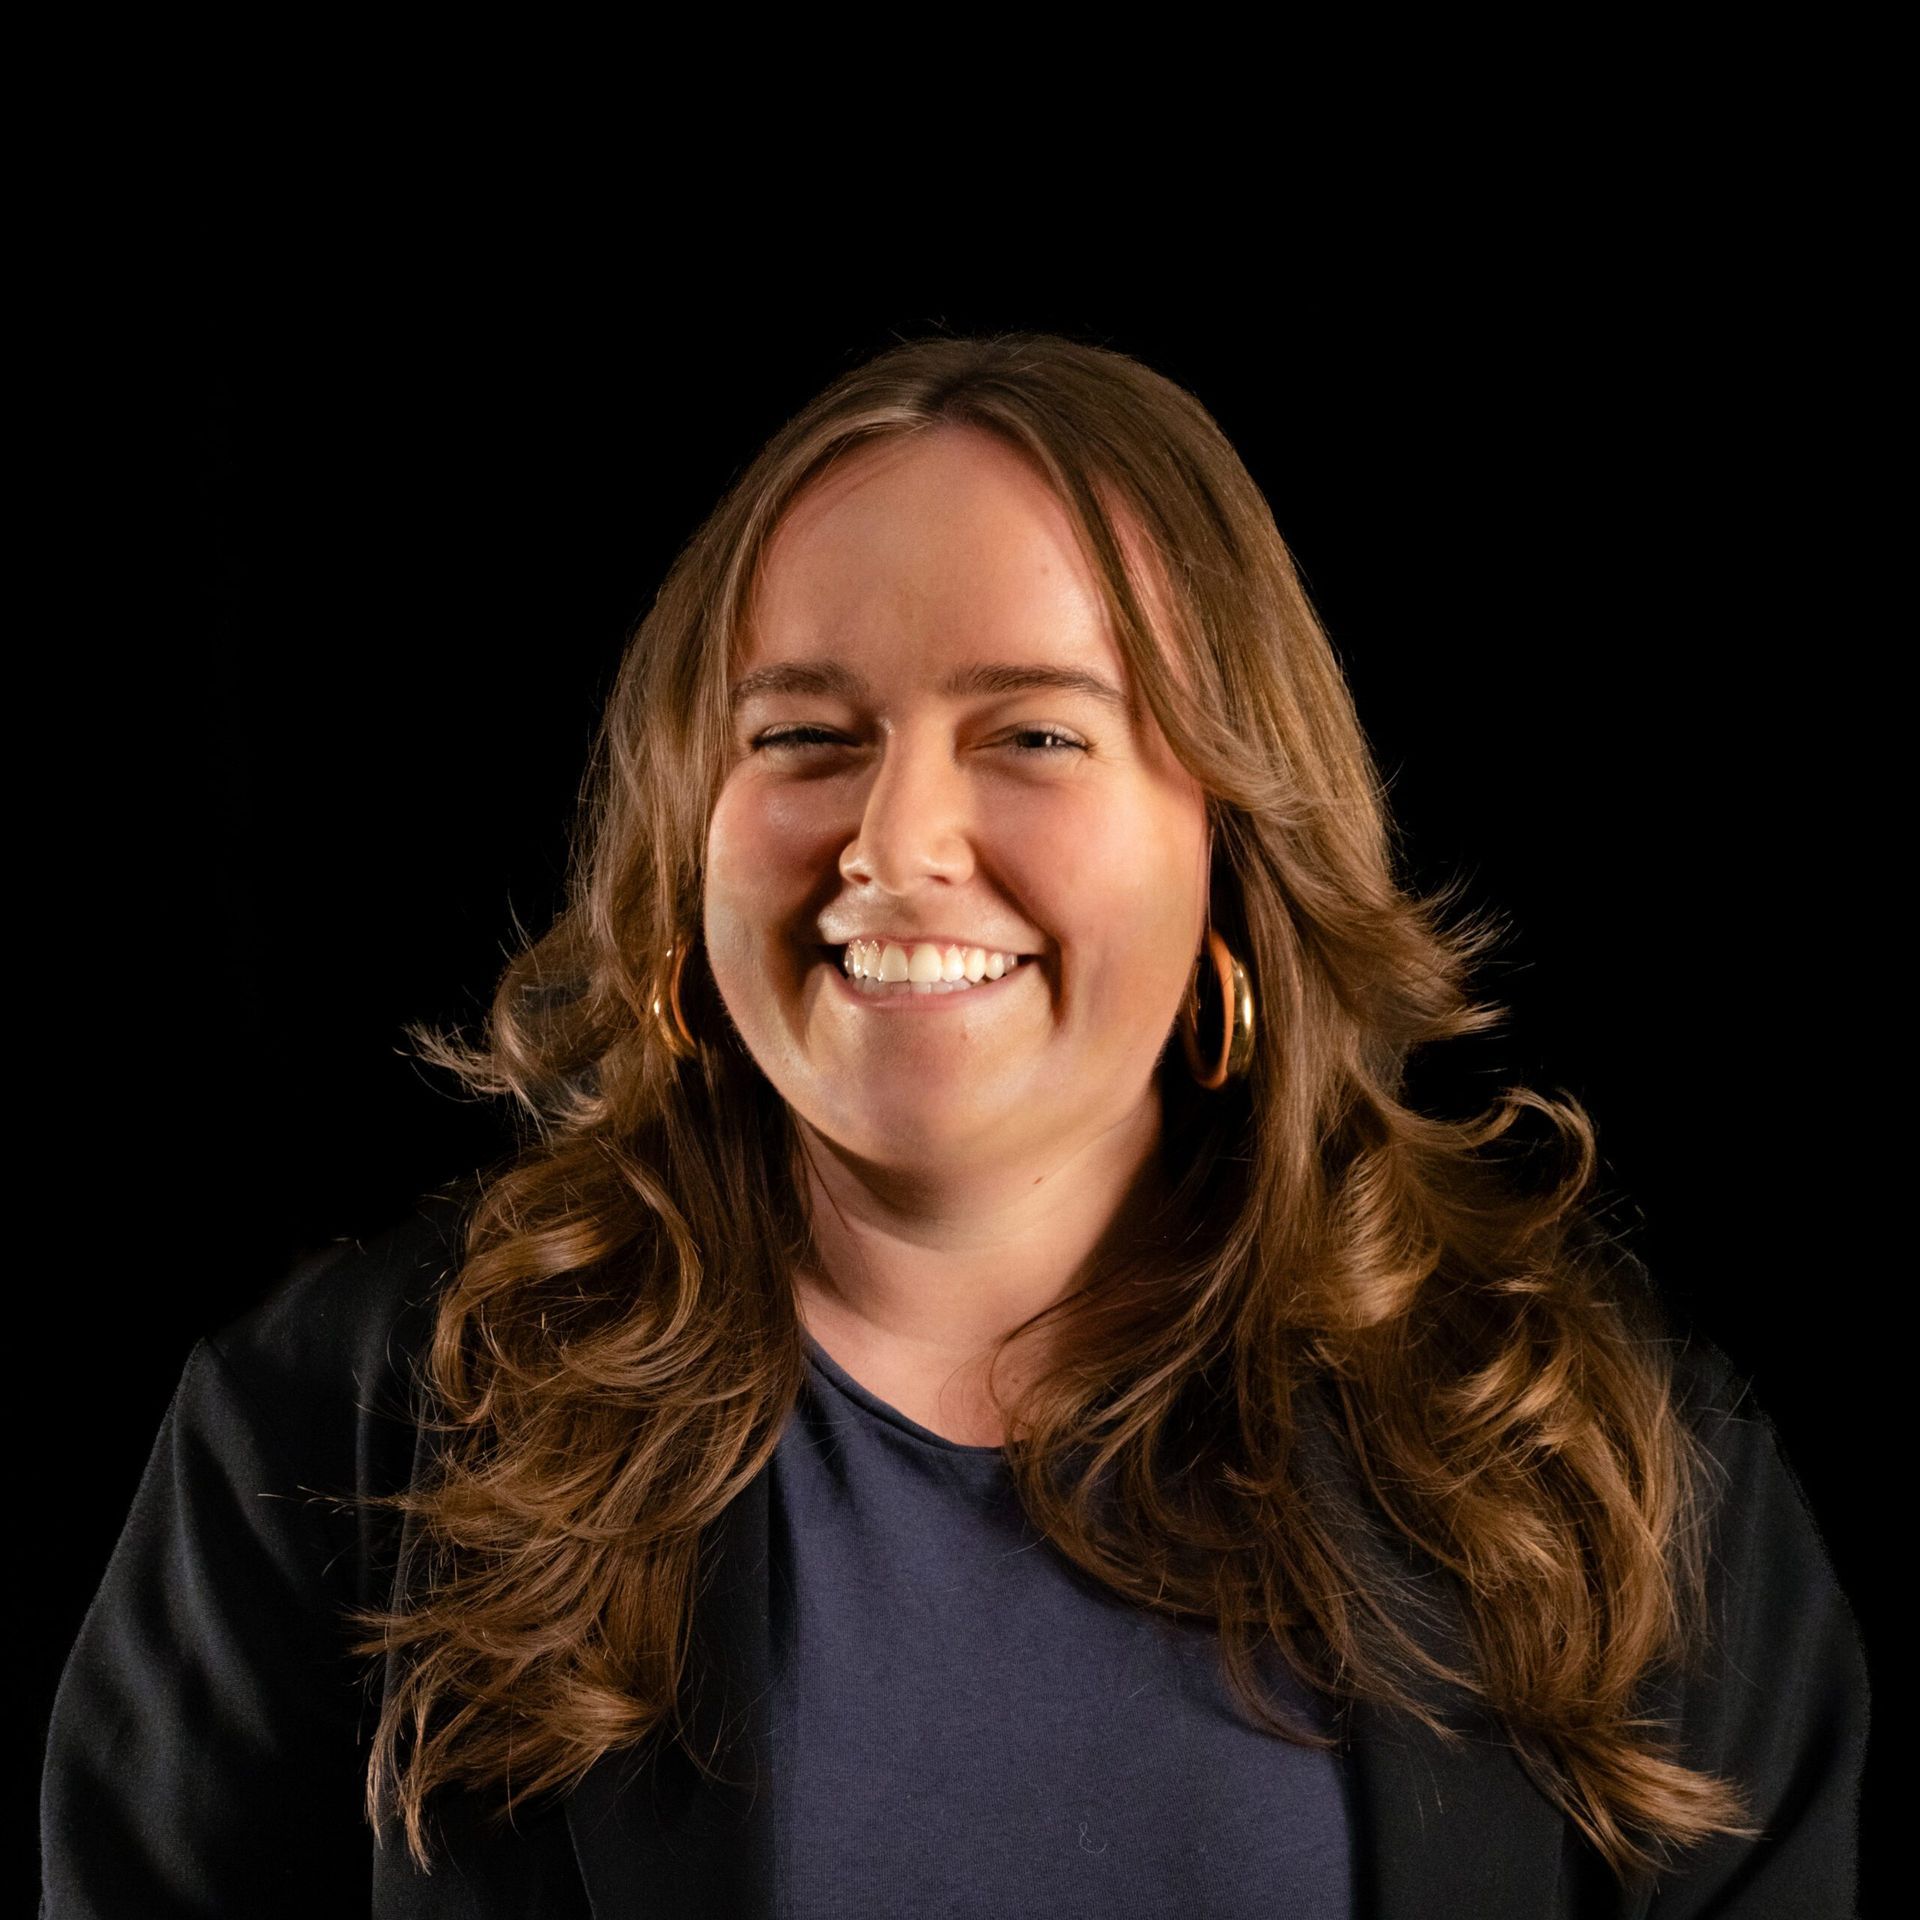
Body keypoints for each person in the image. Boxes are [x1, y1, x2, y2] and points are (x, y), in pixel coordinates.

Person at [42, 332, 1868, 1917]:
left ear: (1235, 841)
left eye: (1037, 736)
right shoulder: (334, 1437)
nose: (896, 842)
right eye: (803, 737)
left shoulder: (1616, 1478)